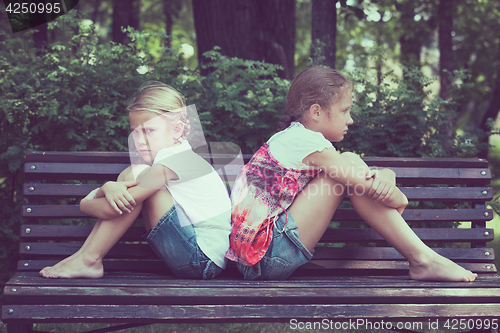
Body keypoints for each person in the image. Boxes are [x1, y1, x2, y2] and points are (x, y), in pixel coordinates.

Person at [226, 66, 477, 282]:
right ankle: (423, 259)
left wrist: (386, 174)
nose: (351, 120)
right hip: (266, 256)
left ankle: (424, 260)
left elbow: (359, 176)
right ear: (316, 112)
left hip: (257, 258)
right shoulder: (304, 141)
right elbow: (375, 191)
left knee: (350, 162)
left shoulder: (292, 139)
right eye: (345, 110)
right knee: (349, 163)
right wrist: (398, 194)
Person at [40, 81, 231, 279]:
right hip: (195, 256)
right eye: (135, 131)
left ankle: (89, 259)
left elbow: (112, 208)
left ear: (176, 130)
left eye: (149, 130)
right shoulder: (173, 157)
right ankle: (83, 257)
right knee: (134, 173)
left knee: (137, 174)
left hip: (201, 260)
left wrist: (86, 202)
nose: (140, 140)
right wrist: (108, 188)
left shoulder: (176, 160)